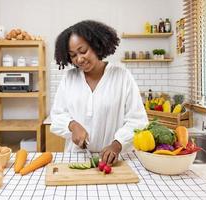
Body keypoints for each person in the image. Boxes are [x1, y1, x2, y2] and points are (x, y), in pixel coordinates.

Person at [50, 20, 148, 165]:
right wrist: (72, 125)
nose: (79, 59)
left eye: (83, 51)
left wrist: (117, 145)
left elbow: (137, 120)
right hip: (76, 159)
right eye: (73, 55)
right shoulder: (69, 78)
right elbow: (57, 116)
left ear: (96, 45)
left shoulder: (122, 76)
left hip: (114, 160)